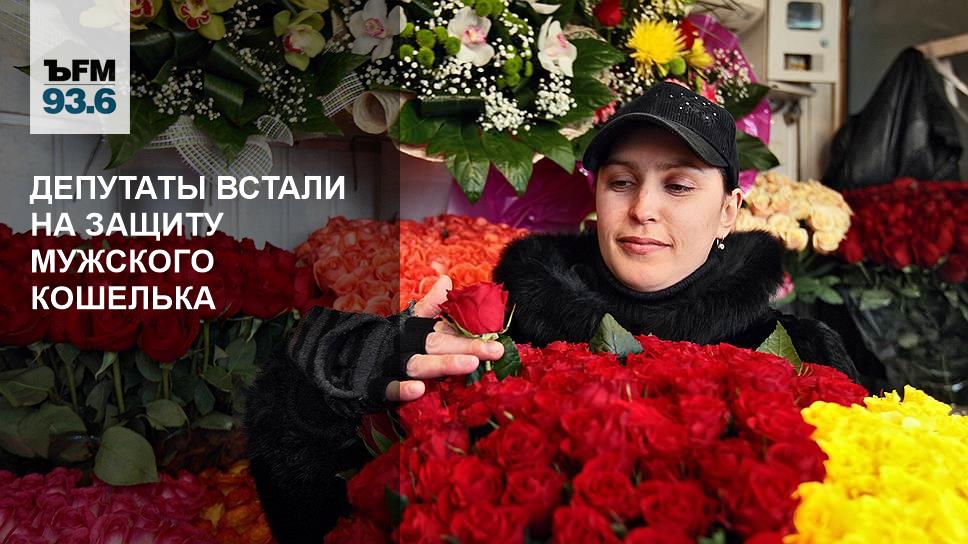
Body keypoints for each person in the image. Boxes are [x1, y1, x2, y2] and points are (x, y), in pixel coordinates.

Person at [243, 82, 859, 543]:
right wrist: (353, 368)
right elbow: (320, 504)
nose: (643, 208)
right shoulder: (499, 333)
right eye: (621, 182)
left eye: (678, 185)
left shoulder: (800, 357)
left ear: (728, 211)